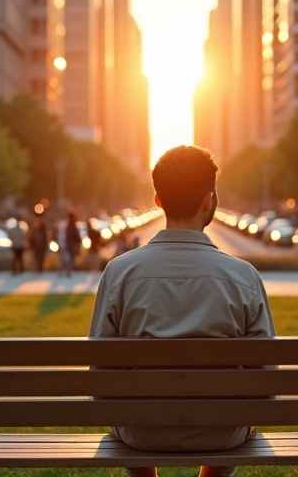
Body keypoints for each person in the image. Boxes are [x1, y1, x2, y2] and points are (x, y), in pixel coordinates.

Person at [89, 145, 274, 477]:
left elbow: (102, 376)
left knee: (125, 409)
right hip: (222, 433)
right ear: (209, 201)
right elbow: (264, 380)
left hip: (140, 432)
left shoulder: (119, 273)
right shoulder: (244, 276)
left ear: (158, 200)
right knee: (241, 413)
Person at [59, 212, 81, 277]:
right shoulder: (71, 225)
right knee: (70, 259)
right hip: (70, 244)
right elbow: (75, 235)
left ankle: (63, 271)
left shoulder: (67, 224)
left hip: (67, 244)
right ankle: (68, 272)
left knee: (65, 258)